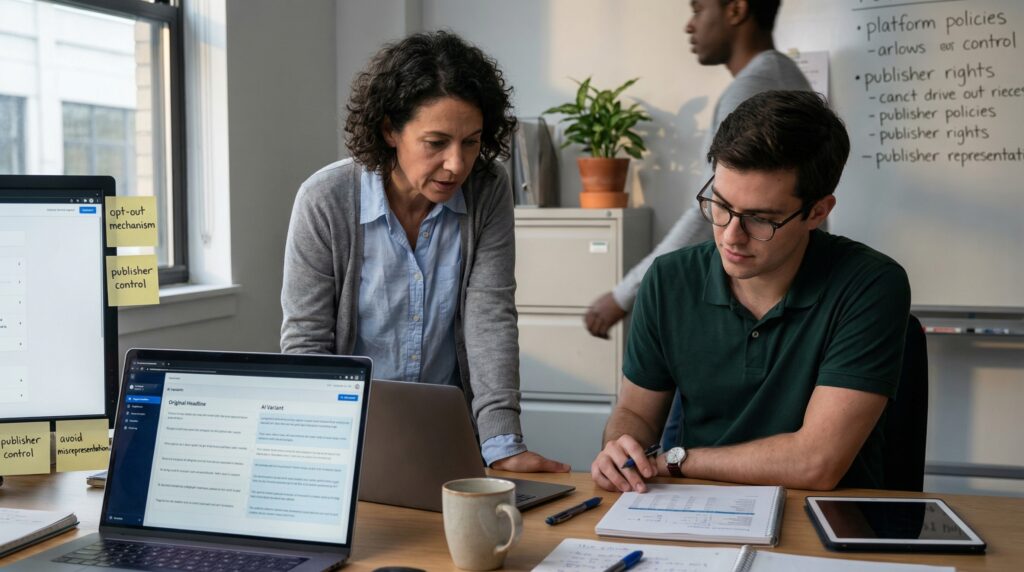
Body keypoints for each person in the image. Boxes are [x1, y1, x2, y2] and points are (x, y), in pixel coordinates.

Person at [590, 90, 911, 493]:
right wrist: (622, 449)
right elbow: (636, 412)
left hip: (820, 515)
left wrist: (676, 460)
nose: (731, 236)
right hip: (692, 506)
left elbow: (816, 463)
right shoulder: (668, 280)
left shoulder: (871, 285)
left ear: (817, 212)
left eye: (760, 219)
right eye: (720, 205)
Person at [281, 31, 569, 473]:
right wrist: (324, 456)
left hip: (449, 441)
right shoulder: (325, 199)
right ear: (389, 130)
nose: (457, 164)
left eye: (471, 141)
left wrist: (503, 444)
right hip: (347, 444)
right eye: (436, 143)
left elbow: (490, 318)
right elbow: (306, 342)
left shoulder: (488, 189)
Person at [584, 0, 814, 450]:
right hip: (768, 295)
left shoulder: (755, 87)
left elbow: (714, 210)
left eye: (698, 8)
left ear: (736, 9)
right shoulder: (783, 73)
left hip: (755, 300)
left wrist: (624, 293)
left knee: (683, 448)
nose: (690, 25)